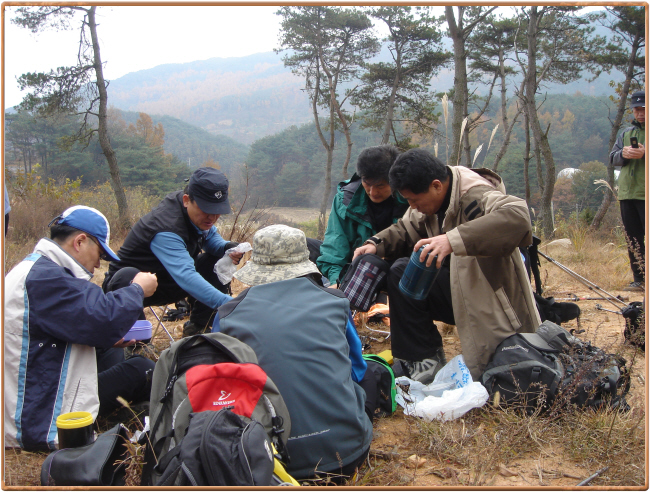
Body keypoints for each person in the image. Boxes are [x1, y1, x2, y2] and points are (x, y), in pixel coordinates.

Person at [354, 149, 541, 381]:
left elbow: (518, 216)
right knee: (401, 272)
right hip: (457, 290)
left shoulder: (476, 195)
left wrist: (453, 239)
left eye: (413, 200)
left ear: (436, 186)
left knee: (499, 377)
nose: (412, 207)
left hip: (490, 298)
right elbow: (405, 228)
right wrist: (376, 243)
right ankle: (423, 361)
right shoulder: (432, 200)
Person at [214, 225, 373, 481]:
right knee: (372, 374)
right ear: (305, 261)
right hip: (346, 456)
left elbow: (225, 391)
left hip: (265, 463)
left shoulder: (228, 315)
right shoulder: (335, 302)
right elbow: (357, 370)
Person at [4, 206, 158, 451]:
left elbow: (66, 325)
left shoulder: (36, 270)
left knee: (112, 351)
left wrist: (110, 338)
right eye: (100, 253)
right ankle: (147, 421)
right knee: (142, 369)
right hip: (40, 413)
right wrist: (137, 289)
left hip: (37, 379)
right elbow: (104, 318)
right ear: (80, 241)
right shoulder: (47, 279)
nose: (98, 263)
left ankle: (132, 414)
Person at [103, 167, 243, 337]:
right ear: (186, 200)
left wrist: (226, 247)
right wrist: (232, 304)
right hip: (131, 288)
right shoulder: (166, 228)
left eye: (217, 211)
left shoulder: (194, 211)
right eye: (206, 210)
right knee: (128, 278)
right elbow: (186, 276)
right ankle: (136, 343)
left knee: (214, 259)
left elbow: (209, 238)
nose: (212, 218)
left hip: (168, 278)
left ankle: (198, 327)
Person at [316, 145, 409, 286]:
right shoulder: (345, 199)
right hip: (354, 270)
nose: (372, 192)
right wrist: (339, 283)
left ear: (394, 181)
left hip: (398, 272)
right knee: (306, 246)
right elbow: (335, 249)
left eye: (380, 186)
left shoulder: (410, 199)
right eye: (367, 183)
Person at [610, 90, 645, 292]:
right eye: (637, 109)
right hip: (627, 192)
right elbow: (612, 157)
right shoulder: (625, 133)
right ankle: (639, 279)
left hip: (645, 193)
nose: (640, 113)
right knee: (633, 238)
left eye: (643, 109)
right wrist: (623, 153)